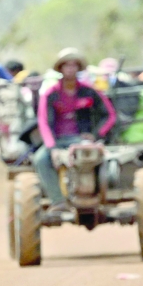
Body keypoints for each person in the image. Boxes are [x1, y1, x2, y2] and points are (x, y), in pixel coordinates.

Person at [34, 48, 117, 212]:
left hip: (82, 139)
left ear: (79, 68)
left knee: (104, 160)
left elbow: (110, 115)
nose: (70, 69)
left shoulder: (90, 90)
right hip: (58, 140)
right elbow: (43, 122)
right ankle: (58, 201)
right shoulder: (50, 94)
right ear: (60, 68)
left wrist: (95, 135)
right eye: (67, 65)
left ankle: (102, 195)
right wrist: (52, 148)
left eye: (74, 65)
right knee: (40, 160)